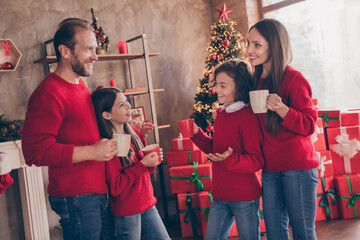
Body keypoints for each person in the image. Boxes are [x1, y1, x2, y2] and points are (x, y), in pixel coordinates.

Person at [21, 18, 152, 240]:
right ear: (65, 51)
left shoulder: (80, 85)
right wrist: (91, 152)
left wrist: (128, 125)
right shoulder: (48, 94)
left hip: (97, 192)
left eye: (95, 49)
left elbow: (87, 129)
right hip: (76, 198)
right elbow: (34, 151)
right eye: (88, 49)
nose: (95, 56)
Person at [246, 18, 319, 240]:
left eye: (256, 45)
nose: (249, 50)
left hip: (298, 168)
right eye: (248, 43)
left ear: (274, 45)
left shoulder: (294, 79)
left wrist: (283, 110)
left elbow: (309, 125)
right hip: (270, 168)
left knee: (302, 233)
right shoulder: (255, 80)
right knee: (275, 232)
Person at [190, 59, 264, 240]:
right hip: (220, 196)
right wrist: (196, 135)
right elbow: (216, 150)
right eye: (216, 84)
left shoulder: (248, 117)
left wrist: (229, 159)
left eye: (223, 85)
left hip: (245, 197)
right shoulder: (221, 114)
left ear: (239, 87)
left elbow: (256, 160)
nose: (217, 89)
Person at [91, 87, 170, 240]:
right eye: (121, 105)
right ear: (107, 115)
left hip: (147, 204)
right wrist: (143, 165)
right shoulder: (109, 146)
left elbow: (145, 171)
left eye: (126, 101)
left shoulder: (135, 134)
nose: (129, 107)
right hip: (127, 212)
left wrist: (152, 161)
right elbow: (116, 187)